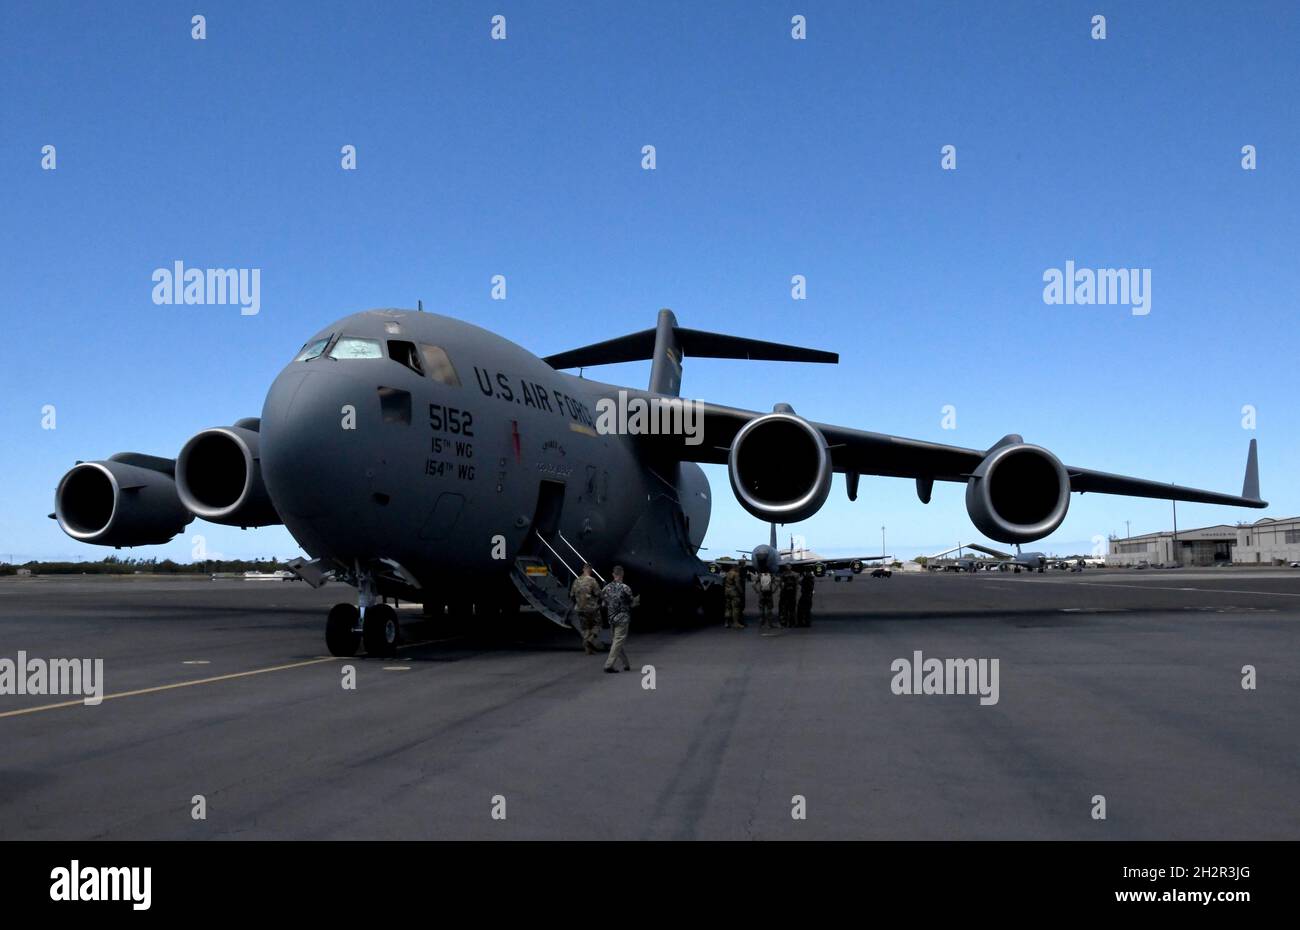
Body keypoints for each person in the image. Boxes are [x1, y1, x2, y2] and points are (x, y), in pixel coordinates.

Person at [601, 565, 634, 673]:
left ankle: (626, 664)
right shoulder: (626, 588)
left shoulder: (606, 588)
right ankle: (609, 665)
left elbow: (603, 604)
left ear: (613, 574)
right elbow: (631, 602)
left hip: (611, 618)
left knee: (616, 641)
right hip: (623, 618)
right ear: (622, 574)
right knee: (618, 641)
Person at [570, 563, 603, 655]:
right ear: (590, 570)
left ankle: (588, 650)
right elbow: (598, 594)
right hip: (592, 608)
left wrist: (578, 603)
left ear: (583, 569)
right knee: (597, 625)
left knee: (585, 628)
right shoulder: (592, 581)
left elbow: (571, 595)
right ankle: (590, 639)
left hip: (580, 609)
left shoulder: (576, 581)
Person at [722, 561, 746, 629]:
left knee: (727, 608)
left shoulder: (728, 573)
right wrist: (741, 592)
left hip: (727, 592)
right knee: (736, 608)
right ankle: (736, 623)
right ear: (735, 567)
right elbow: (737, 584)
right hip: (734, 593)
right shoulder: (736, 574)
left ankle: (726, 623)